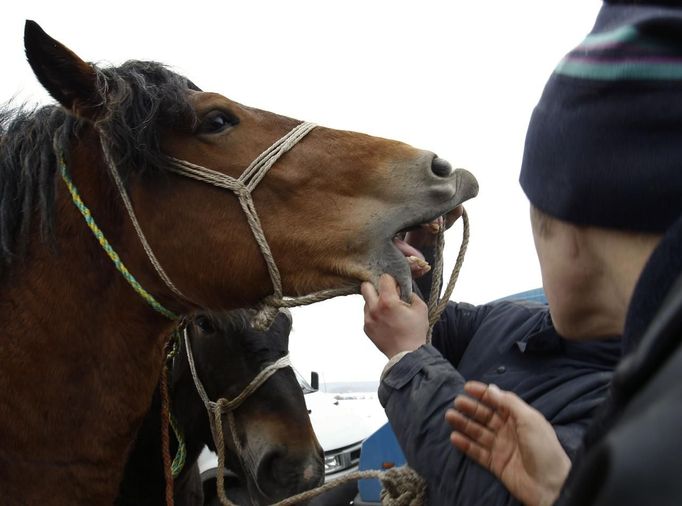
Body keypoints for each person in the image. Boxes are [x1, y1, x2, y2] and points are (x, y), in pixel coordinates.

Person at [442, 2, 682, 505]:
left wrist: (402, 358)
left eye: (538, 222)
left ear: (573, 227)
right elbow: (442, 322)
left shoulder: (646, 450)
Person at [360, 211, 621, 505]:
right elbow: (431, 323)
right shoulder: (510, 318)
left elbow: (494, 496)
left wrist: (408, 357)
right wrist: (422, 244)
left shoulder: (629, 405)